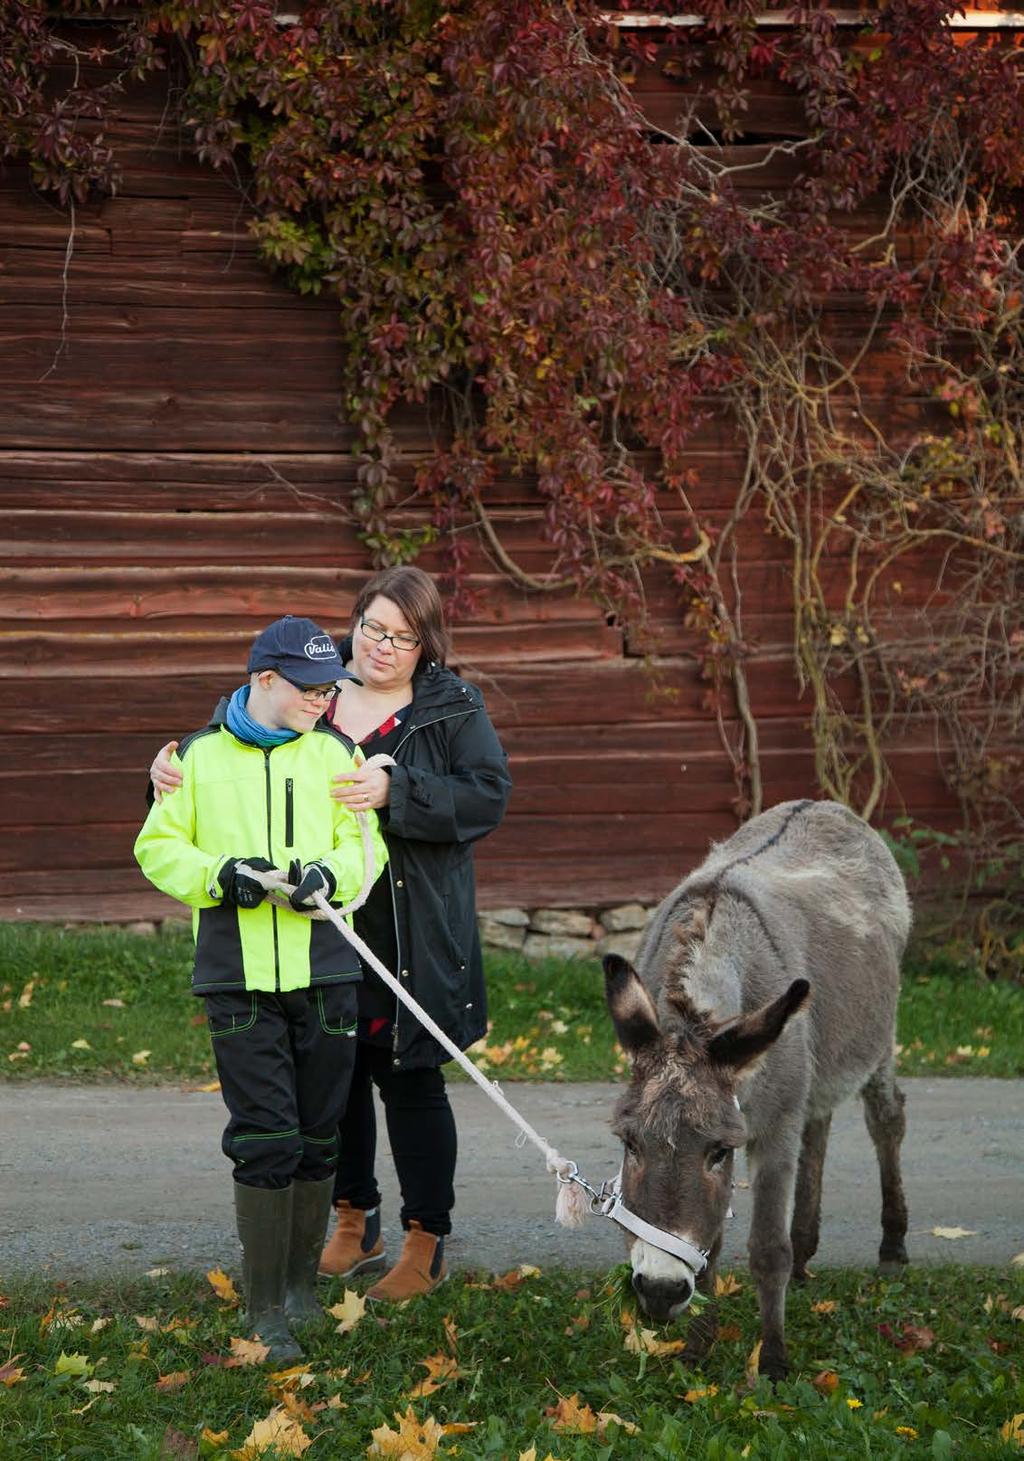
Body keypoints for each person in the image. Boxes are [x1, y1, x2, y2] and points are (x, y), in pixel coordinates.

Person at [150, 567, 512, 1302]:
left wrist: (397, 790)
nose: (384, 645)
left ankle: (424, 1236)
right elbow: (226, 769)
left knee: (410, 1083)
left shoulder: (450, 708)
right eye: (375, 627)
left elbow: (487, 797)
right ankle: (354, 1220)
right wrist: (159, 773)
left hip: (410, 933)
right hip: (316, 935)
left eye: (404, 636)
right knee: (333, 1086)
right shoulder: (309, 687)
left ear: (425, 644)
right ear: (355, 623)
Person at [135, 615, 387, 1360]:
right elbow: (157, 845)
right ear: (264, 679)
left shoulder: (339, 752)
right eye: (309, 688)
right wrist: (221, 876)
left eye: (330, 688)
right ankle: (265, 1308)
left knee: (319, 1136)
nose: (323, 699)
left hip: (327, 975)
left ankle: (303, 1288)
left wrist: (328, 880)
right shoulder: (196, 758)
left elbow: (362, 847)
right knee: (266, 1138)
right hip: (238, 980)